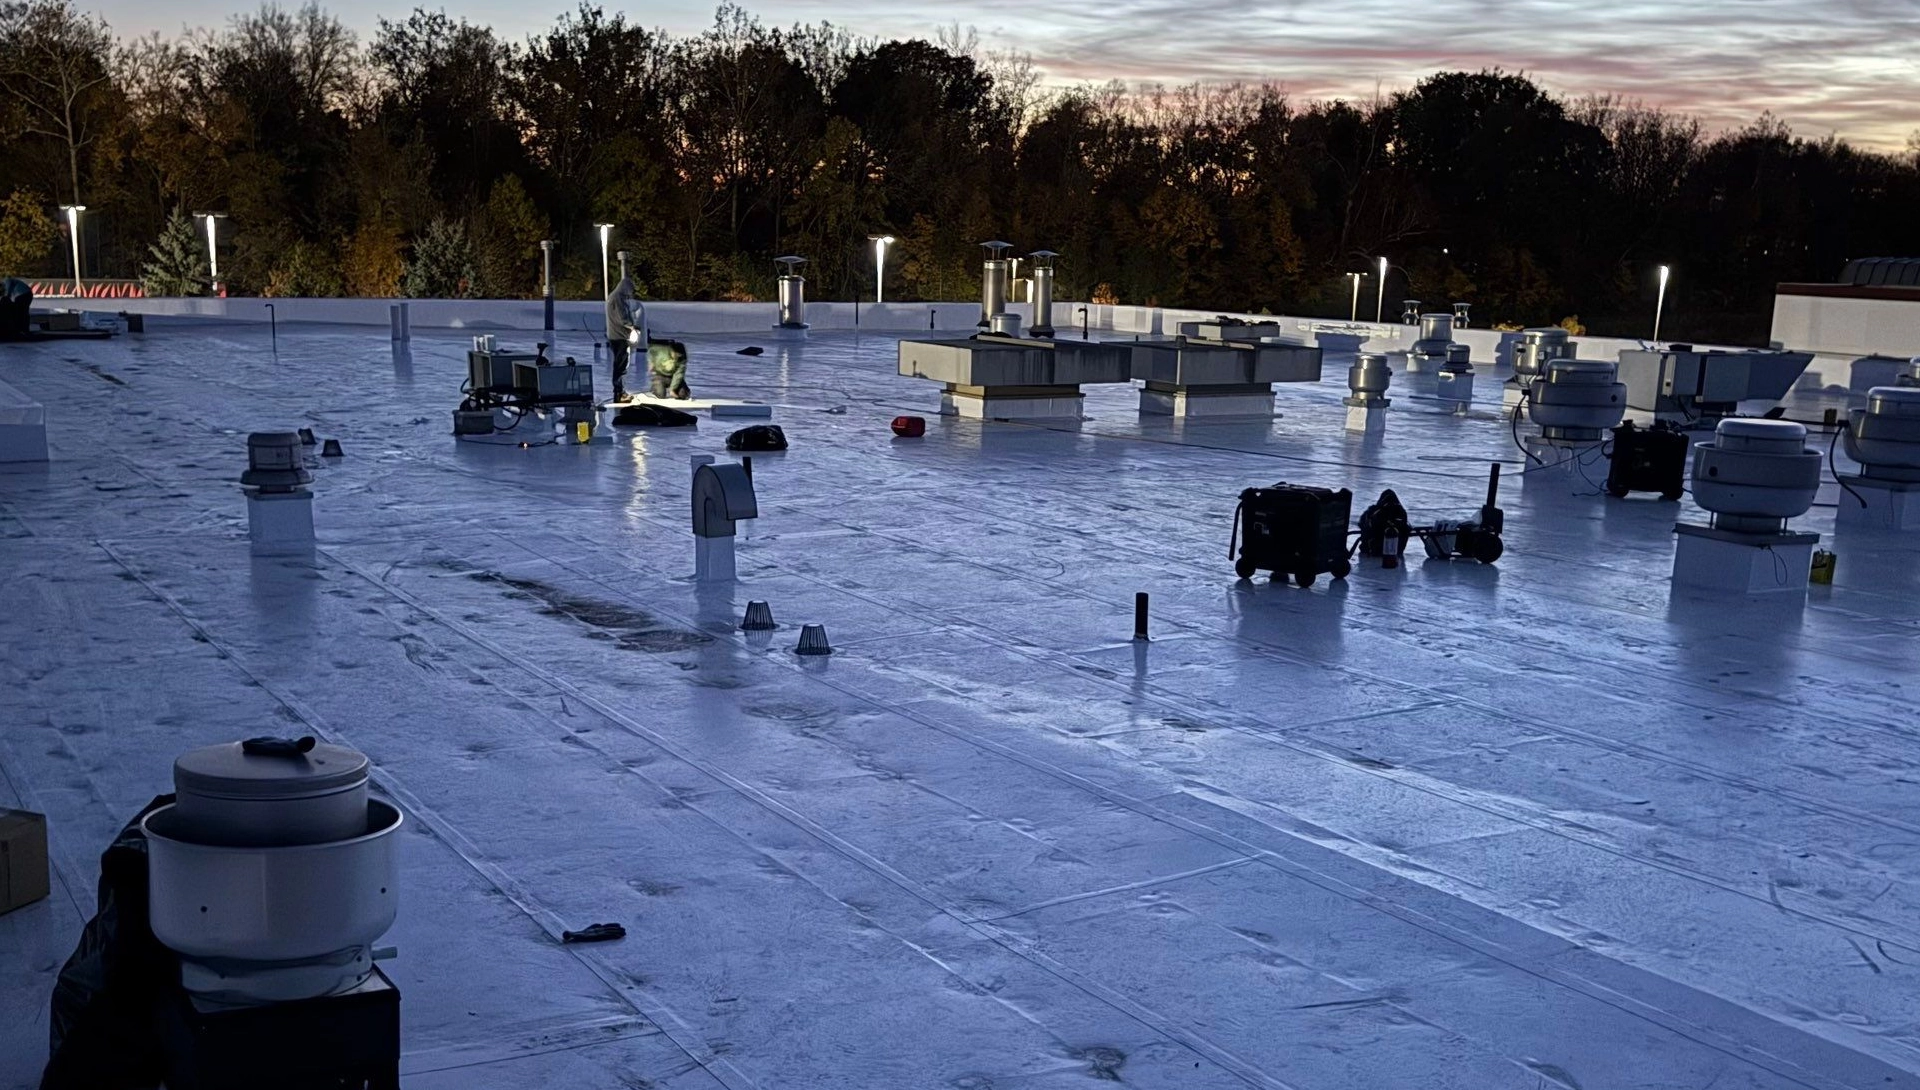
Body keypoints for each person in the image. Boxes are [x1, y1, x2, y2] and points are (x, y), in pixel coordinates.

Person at [604, 271, 646, 403]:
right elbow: (622, 318)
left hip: (616, 336)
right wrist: (633, 326)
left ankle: (620, 391)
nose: (631, 293)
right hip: (619, 337)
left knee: (620, 365)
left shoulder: (616, 297)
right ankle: (619, 393)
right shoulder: (618, 299)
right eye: (631, 290)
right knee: (621, 366)